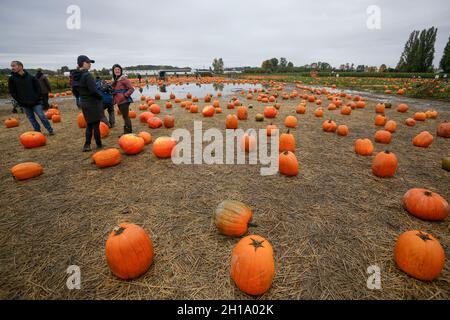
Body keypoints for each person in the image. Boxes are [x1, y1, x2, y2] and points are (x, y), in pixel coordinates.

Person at [8, 61, 54, 135]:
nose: (12, 68)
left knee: (42, 116)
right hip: (24, 103)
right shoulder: (12, 79)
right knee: (32, 119)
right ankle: (38, 132)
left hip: (36, 102)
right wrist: (20, 101)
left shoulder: (31, 77)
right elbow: (12, 92)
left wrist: (37, 98)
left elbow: (38, 89)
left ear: (20, 66)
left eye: (14, 66)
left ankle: (50, 130)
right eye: (11, 66)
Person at [71, 55, 104, 152]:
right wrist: (100, 97)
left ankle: (87, 145)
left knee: (89, 124)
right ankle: (98, 144)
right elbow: (93, 90)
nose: (90, 65)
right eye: (88, 62)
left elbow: (74, 91)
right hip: (92, 102)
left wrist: (81, 97)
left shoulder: (75, 75)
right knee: (96, 125)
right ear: (82, 63)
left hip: (84, 102)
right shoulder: (87, 75)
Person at [111, 64, 134, 135]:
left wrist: (124, 95)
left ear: (121, 70)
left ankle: (128, 132)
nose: (117, 71)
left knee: (125, 116)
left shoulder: (123, 78)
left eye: (118, 69)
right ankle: (126, 131)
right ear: (113, 71)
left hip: (124, 100)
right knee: (124, 116)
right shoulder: (115, 79)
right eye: (115, 70)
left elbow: (131, 89)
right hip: (118, 100)